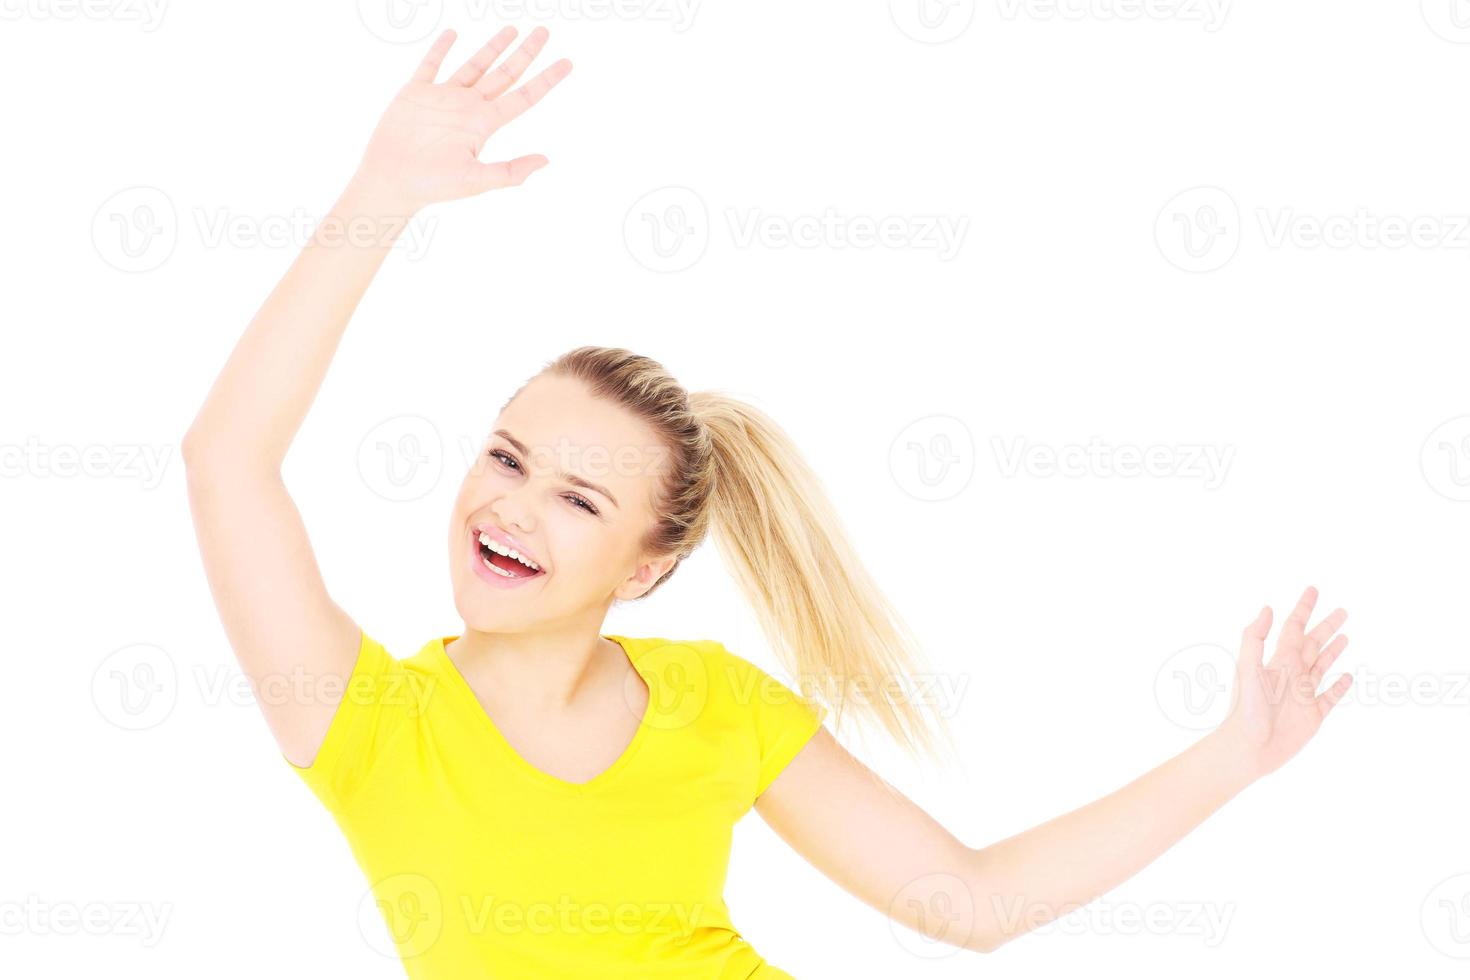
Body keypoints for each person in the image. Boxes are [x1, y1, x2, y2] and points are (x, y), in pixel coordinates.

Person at [182, 25, 1356, 979]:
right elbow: (226, 458)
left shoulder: (716, 702)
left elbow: (974, 899)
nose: (513, 506)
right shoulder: (368, 720)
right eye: (506, 456)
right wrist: (382, 190)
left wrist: (1236, 754)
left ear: (645, 566)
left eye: (580, 498)